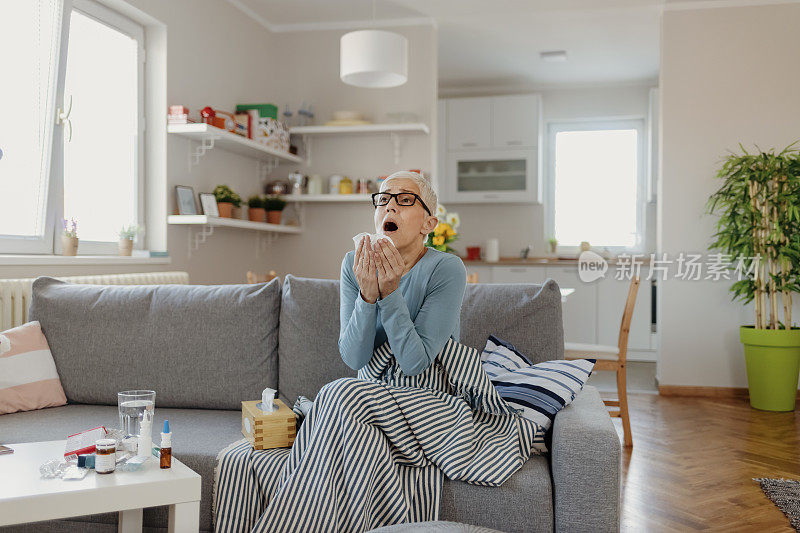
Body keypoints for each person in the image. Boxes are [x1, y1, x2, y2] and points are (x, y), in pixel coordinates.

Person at [339, 170, 467, 376]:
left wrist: (389, 293)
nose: (390, 206)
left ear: (428, 224)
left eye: (406, 199)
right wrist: (367, 297)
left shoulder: (446, 269)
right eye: (383, 199)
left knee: (337, 393)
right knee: (334, 391)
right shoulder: (354, 265)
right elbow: (354, 359)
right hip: (368, 392)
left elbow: (414, 364)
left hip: (428, 393)